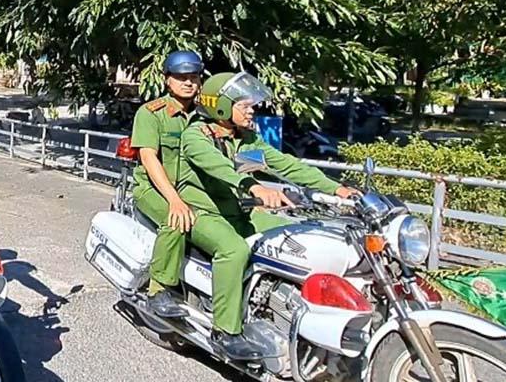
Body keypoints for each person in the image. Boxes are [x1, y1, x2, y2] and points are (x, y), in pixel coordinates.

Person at [182, 72, 362, 360]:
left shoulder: (245, 140)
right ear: (220, 107)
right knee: (234, 250)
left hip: (237, 211)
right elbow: (218, 166)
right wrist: (252, 185)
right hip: (202, 211)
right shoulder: (196, 136)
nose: (251, 110)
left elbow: (286, 166)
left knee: (290, 236)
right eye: (244, 105)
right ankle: (225, 331)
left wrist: (337, 188)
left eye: (251, 105)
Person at [130, 50, 205, 318]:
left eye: (193, 77)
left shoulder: (204, 116)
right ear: (167, 80)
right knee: (176, 222)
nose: (188, 83)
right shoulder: (151, 113)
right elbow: (148, 158)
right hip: (152, 189)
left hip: (193, 191)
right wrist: (173, 199)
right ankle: (157, 290)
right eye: (181, 77)